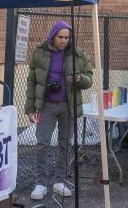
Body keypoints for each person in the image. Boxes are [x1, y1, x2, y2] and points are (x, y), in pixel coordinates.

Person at [25, 20, 94, 198]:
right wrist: (30, 107)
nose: (64, 41)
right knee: (42, 144)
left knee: (65, 144)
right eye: (60, 37)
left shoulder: (78, 54)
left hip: (68, 105)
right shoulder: (39, 52)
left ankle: (59, 181)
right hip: (46, 104)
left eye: (67, 37)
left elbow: (89, 79)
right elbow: (32, 81)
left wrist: (79, 79)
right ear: (52, 36)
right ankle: (40, 183)